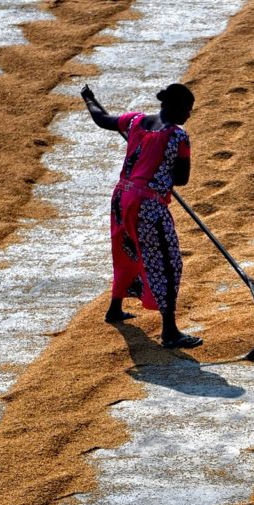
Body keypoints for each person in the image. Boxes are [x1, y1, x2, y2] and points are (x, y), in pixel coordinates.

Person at [82, 82, 201, 349]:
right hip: (148, 205)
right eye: (188, 110)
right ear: (178, 108)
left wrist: (89, 98)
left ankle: (115, 308)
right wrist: (159, 170)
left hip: (121, 198)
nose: (189, 116)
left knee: (126, 250)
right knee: (167, 263)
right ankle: (170, 331)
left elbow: (102, 119)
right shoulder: (177, 137)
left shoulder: (136, 121)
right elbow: (181, 179)